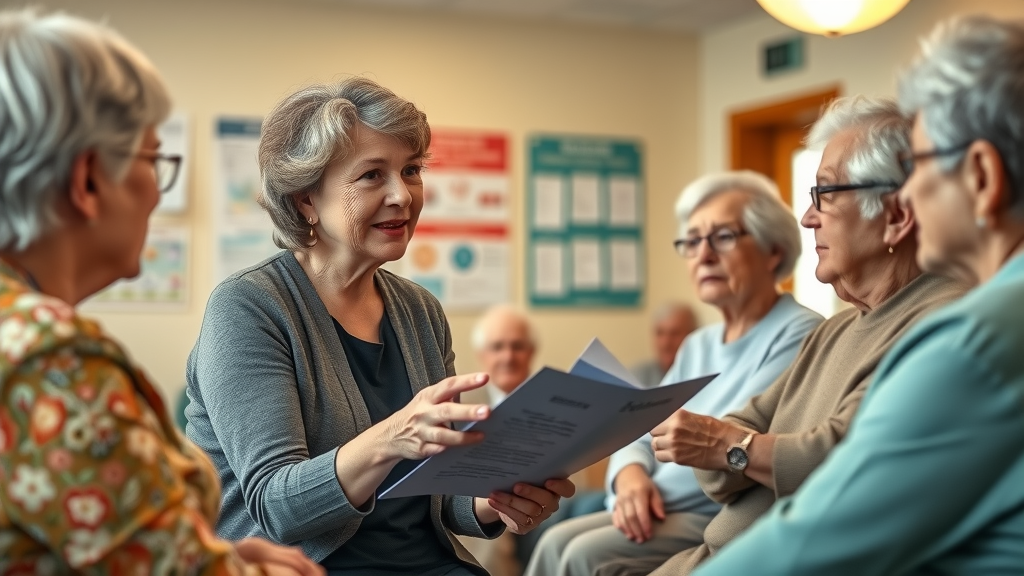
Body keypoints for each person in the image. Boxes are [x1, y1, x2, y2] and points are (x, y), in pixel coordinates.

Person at [184, 78, 574, 576]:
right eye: (371, 175)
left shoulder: (421, 311)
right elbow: (276, 507)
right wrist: (391, 437)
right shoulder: (248, 308)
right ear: (307, 200)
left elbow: (439, 496)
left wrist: (495, 499)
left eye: (411, 170)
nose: (402, 196)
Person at [692, 15, 1024, 575]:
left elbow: (813, 541)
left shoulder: (976, 338)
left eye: (919, 167)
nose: (909, 196)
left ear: (982, 178)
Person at [0, 9, 322, 575]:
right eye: (153, 159)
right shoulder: (50, 361)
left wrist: (222, 553)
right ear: (89, 181)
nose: (156, 192)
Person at [631, 95, 967, 576]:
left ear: (896, 214)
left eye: (825, 195)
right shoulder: (834, 330)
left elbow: (839, 462)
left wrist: (735, 449)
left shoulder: (942, 323)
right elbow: (727, 451)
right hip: (714, 555)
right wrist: (739, 450)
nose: (808, 218)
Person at [524, 170, 824, 576]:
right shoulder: (698, 343)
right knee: (554, 540)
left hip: (724, 512)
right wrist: (629, 478)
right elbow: (642, 428)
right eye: (693, 241)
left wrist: (645, 492)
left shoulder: (800, 333)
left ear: (774, 250)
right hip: (662, 505)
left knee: (583, 553)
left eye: (723, 237)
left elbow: (721, 449)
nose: (703, 255)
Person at [629, 303, 698, 388]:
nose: (666, 343)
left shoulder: (702, 373)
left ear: (694, 335)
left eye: (675, 334)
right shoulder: (636, 376)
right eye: (660, 333)